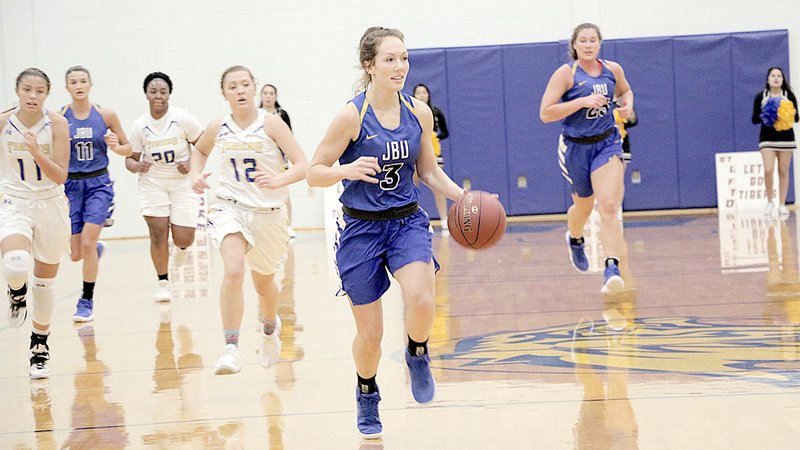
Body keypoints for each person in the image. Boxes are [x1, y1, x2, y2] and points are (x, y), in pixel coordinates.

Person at [306, 26, 466, 438]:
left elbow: (427, 170)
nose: (400, 67)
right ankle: (366, 391)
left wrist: (465, 196)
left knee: (421, 296)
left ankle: (417, 352)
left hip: (406, 219)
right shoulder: (351, 115)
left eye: (404, 58)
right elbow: (314, 172)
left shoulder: (419, 112)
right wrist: (344, 169)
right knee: (371, 334)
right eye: (390, 60)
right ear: (369, 66)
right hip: (360, 228)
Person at [191, 65, 308, 376]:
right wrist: (195, 174)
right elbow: (199, 152)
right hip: (230, 207)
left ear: (255, 89)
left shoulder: (272, 124)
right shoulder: (218, 126)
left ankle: (270, 329)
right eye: (233, 86)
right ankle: (230, 348)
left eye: (245, 84)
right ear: (224, 93)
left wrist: (279, 179)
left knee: (265, 285)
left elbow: (302, 165)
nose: (240, 90)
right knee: (232, 270)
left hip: (268, 215)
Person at [539, 22, 634, 295]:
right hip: (575, 147)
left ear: (600, 43)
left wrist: (627, 103)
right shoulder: (566, 74)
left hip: (607, 143)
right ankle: (576, 238)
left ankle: (611, 267)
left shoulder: (612, 70)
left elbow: (625, 91)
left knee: (609, 205)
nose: (589, 44)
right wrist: (581, 102)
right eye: (584, 40)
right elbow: (546, 113)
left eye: (593, 40)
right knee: (583, 206)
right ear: (575, 45)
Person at [1, 68, 71, 378]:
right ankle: (17, 295)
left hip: (51, 204)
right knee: (16, 262)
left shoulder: (56, 124)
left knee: (44, 283)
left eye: (39, 91)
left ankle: (39, 347)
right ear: (17, 91)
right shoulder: (4, 122)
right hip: (14, 201)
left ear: (46, 94)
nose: (32, 95)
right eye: (27, 89)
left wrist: (35, 151)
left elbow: (61, 174)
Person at [61, 66, 132, 322]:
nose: (78, 86)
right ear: (67, 87)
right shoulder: (60, 118)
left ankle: (86, 300)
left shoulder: (106, 115)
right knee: (76, 253)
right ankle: (95, 250)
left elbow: (128, 147)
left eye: (83, 81)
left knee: (87, 243)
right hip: (71, 186)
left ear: (90, 85)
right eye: (73, 82)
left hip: (98, 184)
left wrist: (117, 146)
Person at [125, 72, 204, 302]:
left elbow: (203, 145)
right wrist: (138, 166)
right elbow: (129, 159)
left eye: (163, 91)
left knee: (184, 238)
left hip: (182, 183)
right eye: (153, 91)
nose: (158, 95)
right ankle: (163, 281)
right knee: (158, 233)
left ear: (169, 93)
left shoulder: (182, 118)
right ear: (146, 95)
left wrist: (190, 163)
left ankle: (181, 250)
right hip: (153, 183)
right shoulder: (140, 126)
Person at [752, 67, 799, 218]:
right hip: (767, 138)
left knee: (783, 171)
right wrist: (767, 114)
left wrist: (784, 114)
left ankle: (782, 204)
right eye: (773, 75)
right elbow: (754, 119)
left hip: (786, 138)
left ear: (783, 79)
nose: (776, 78)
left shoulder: (788, 95)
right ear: (768, 79)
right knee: (768, 169)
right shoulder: (761, 96)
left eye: (779, 75)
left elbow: (796, 117)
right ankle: (769, 201)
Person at [412, 83, 451, 233]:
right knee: (413, 187)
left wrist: (433, 137)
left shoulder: (435, 112)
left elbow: (445, 132)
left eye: (424, 92)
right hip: (414, 151)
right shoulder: (410, 112)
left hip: (433, 152)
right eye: (418, 93)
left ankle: (444, 220)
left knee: (438, 186)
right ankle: (416, 219)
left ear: (428, 95)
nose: (421, 95)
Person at [260, 84, 297, 238]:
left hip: (279, 160)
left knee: (284, 193)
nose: (268, 96)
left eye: (271, 93)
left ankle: (288, 226)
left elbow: (289, 137)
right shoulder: (257, 115)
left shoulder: (282, 114)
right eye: (266, 93)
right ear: (261, 96)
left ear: (275, 96)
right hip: (261, 159)